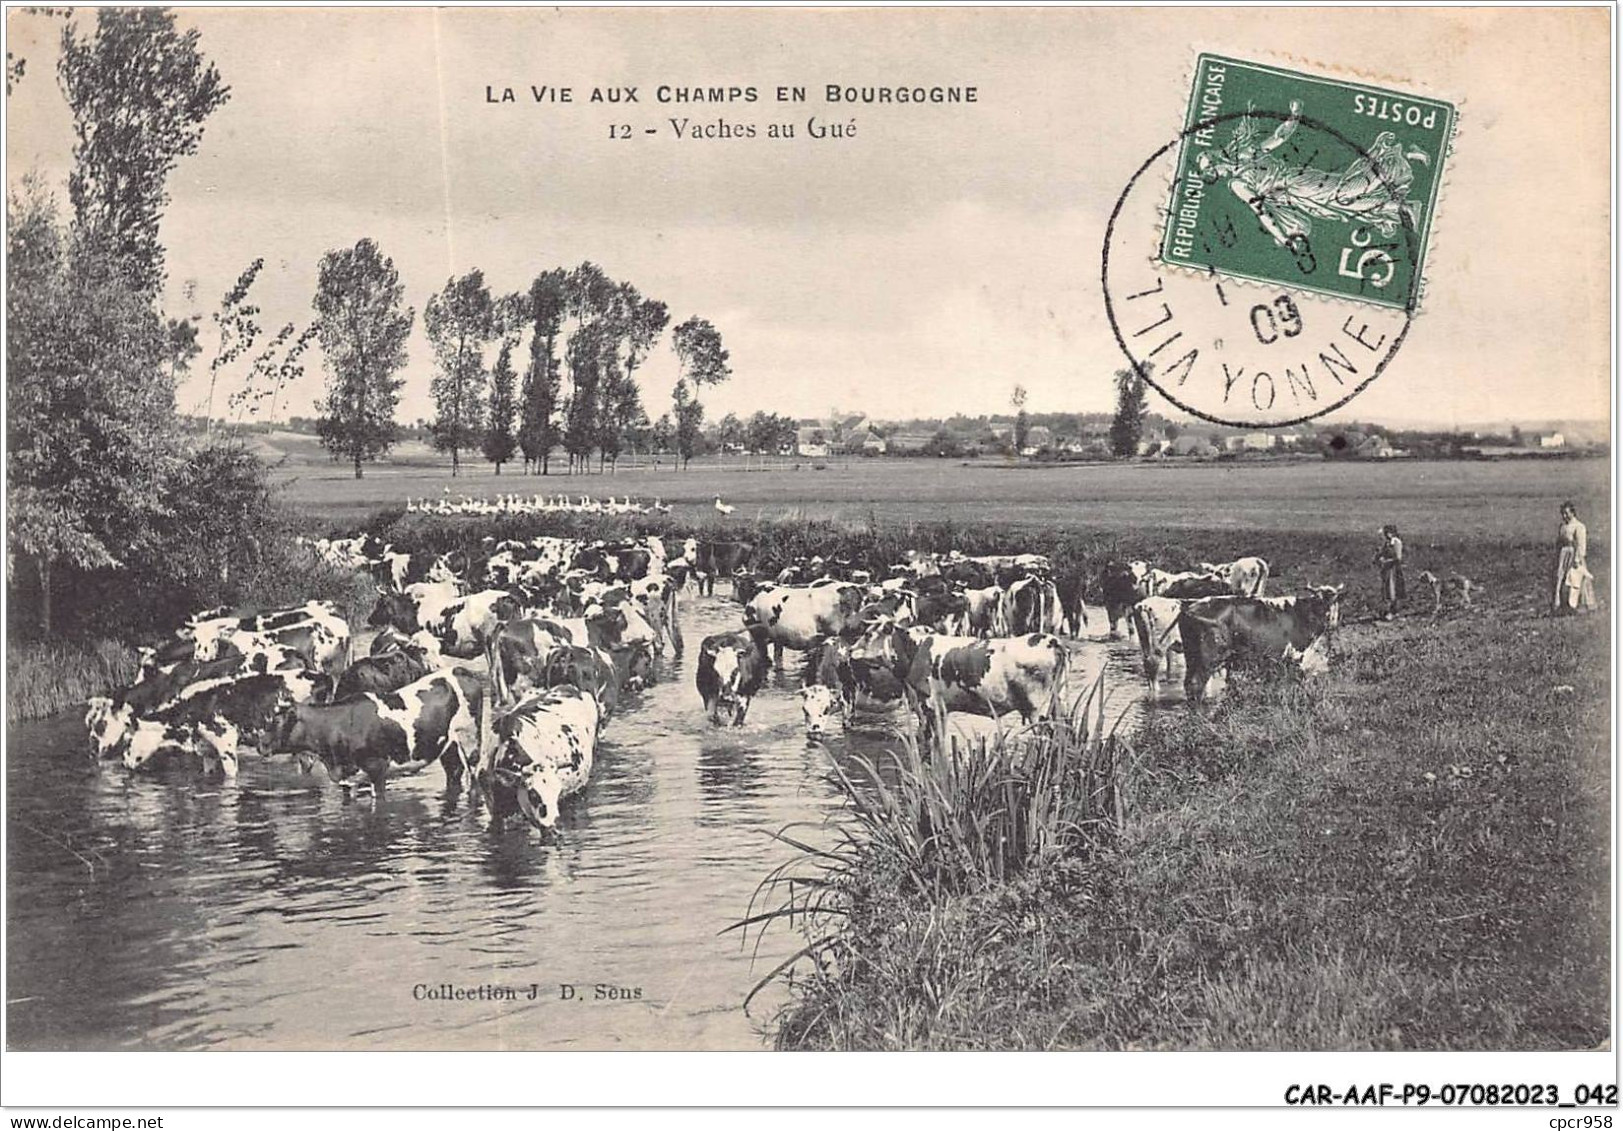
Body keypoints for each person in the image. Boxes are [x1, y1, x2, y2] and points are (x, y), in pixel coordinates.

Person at [1553, 501, 1596, 614]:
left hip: (1574, 555)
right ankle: (1563, 604)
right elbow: (1559, 542)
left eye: (1567, 513)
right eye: (1563, 513)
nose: (1564, 516)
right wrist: (1558, 555)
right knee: (1561, 578)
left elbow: (1581, 544)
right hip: (1563, 555)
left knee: (1576, 579)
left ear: (1573, 513)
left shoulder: (1579, 526)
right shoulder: (1562, 526)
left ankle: (1579, 605)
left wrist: (1578, 558)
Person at [1374, 524, 1405, 619]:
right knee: (1387, 590)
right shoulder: (1387, 543)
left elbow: (1398, 558)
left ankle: (1393, 611)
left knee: (1393, 590)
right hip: (1387, 570)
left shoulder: (1396, 543)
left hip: (1394, 569)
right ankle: (1389, 610)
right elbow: (1381, 553)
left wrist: (1386, 561)